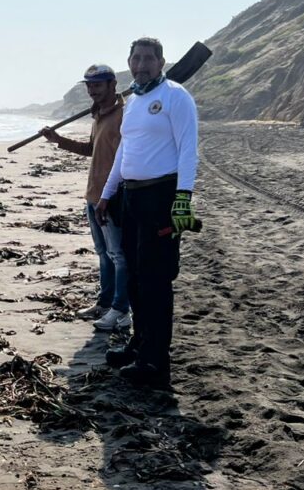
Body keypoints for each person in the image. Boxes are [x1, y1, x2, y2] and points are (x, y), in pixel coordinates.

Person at [96, 37, 199, 389]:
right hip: (132, 197)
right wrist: (108, 194)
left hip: (162, 196)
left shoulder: (175, 96)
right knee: (136, 280)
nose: (141, 64)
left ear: (161, 61)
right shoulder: (135, 100)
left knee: (156, 282)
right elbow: (125, 151)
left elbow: (188, 150)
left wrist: (183, 199)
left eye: (148, 58)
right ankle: (139, 344)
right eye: (136, 58)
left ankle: (156, 361)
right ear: (129, 61)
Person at [38, 64, 131, 332]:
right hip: (92, 195)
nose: (92, 91)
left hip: (111, 195)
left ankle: (121, 310)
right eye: (89, 86)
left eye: (97, 85)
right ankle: (104, 302)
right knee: (104, 254)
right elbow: (91, 150)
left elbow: (127, 158)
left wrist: (110, 193)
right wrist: (58, 140)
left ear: (112, 85)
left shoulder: (124, 115)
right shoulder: (99, 115)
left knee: (118, 255)